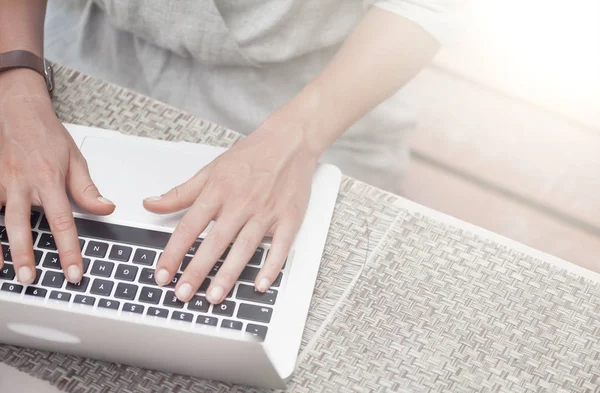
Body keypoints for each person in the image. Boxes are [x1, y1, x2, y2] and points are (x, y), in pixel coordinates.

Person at [0, 0, 463, 305]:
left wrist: (299, 138)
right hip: (73, 49)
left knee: (301, 307)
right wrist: (15, 81)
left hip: (320, 89)